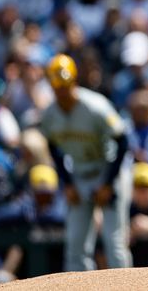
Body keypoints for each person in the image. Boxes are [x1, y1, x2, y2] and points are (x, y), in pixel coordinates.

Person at [40, 53, 133, 271]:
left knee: (114, 242)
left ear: (74, 81)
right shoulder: (50, 114)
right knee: (74, 245)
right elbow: (52, 147)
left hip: (108, 169)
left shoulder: (95, 105)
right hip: (80, 174)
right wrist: (67, 183)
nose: (62, 90)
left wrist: (108, 184)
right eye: (57, 86)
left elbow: (123, 141)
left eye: (65, 84)